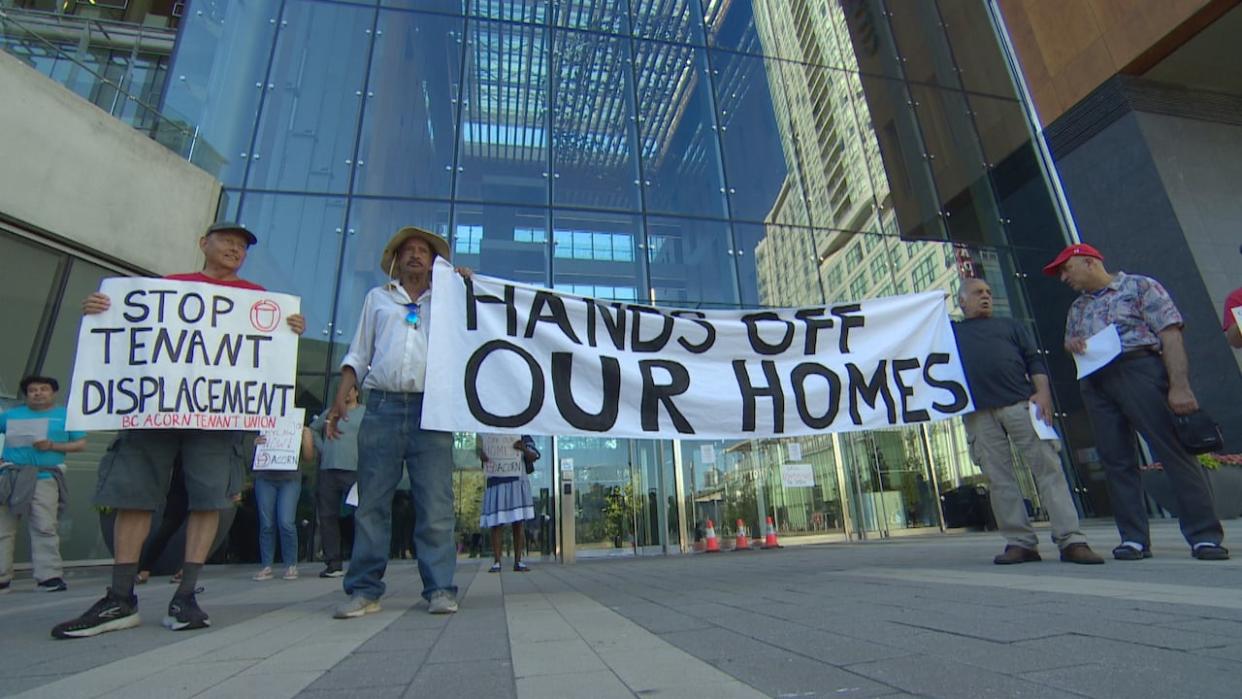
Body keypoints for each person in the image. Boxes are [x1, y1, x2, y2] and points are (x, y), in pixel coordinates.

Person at [52, 222, 306, 639]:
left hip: (216, 418)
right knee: (133, 493)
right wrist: (105, 310)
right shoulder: (167, 289)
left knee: (209, 499)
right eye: (227, 241)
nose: (234, 249)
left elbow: (263, 358)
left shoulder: (258, 299)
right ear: (203, 244)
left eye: (242, 246)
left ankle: (185, 595)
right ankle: (120, 596)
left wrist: (289, 331)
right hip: (158, 410)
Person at [1046, 243, 1227, 561]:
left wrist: (1179, 386)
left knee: (1173, 451)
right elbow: (1070, 342)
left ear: (1089, 262)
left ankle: (1204, 536)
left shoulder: (1140, 286)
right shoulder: (1078, 308)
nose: (1063, 277)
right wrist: (1071, 345)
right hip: (1095, 381)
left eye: (1066, 269)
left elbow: (1170, 334)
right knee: (1116, 460)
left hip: (1139, 369)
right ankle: (1133, 538)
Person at [327, 225, 469, 619]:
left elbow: (478, 326)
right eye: (408, 250)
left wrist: (467, 285)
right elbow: (359, 352)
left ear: (434, 261)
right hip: (382, 408)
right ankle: (364, 590)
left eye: (424, 250)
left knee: (435, 504)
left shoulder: (448, 301)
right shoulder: (378, 299)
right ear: (396, 259)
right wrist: (342, 393)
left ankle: (440, 588)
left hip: (433, 411)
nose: (416, 255)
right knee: (371, 502)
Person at [952, 279, 1103, 565]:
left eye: (988, 292)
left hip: (1022, 405)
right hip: (978, 414)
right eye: (977, 293)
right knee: (999, 479)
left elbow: (1034, 360)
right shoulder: (950, 333)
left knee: (1049, 469)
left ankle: (1072, 540)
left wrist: (1044, 393)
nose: (985, 296)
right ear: (961, 301)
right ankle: (1020, 543)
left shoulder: (1011, 326)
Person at [0, 376, 85, 593]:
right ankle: (2, 577)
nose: (38, 393)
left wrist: (52, 445)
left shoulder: (65, 415)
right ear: (26, 394)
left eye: (43, 389)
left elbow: (80, 444)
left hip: (45, 478)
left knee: (45, 526)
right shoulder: (10, 415)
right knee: (3, 527)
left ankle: (49, 576)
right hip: (11, 475)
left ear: (53, 392)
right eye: (32, 390)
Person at [304, 386, 363, 578]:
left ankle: (361, 559)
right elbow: (312, 430)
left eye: (349, 390)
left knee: (360, 515)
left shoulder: (363, 413)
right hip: (328, 469)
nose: (345, 393)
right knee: (328, 516)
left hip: (353, 469)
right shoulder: (331, 411)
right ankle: (333, 563)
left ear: (356, 392)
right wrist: (323, 449)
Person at [477, 434, 538, 573]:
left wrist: (524, 448)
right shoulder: (489, 434)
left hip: (516, 480)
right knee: (496, 523)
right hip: (496, 480)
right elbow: (481, 456)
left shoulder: (523, 432)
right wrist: (482, 456)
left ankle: (518, 561)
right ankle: (497, 561)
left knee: (518, 522)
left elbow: (534, 456)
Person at [251, 438, 302, 582]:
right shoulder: (261, 423)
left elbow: (309, 456)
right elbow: (248, 454)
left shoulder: (296, 424)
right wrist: (254, 444)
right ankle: (266, 566)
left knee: (286, 522)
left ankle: (291, 564)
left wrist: (305, 437)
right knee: (266, 524)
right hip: (265, 476)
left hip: (290, 477)